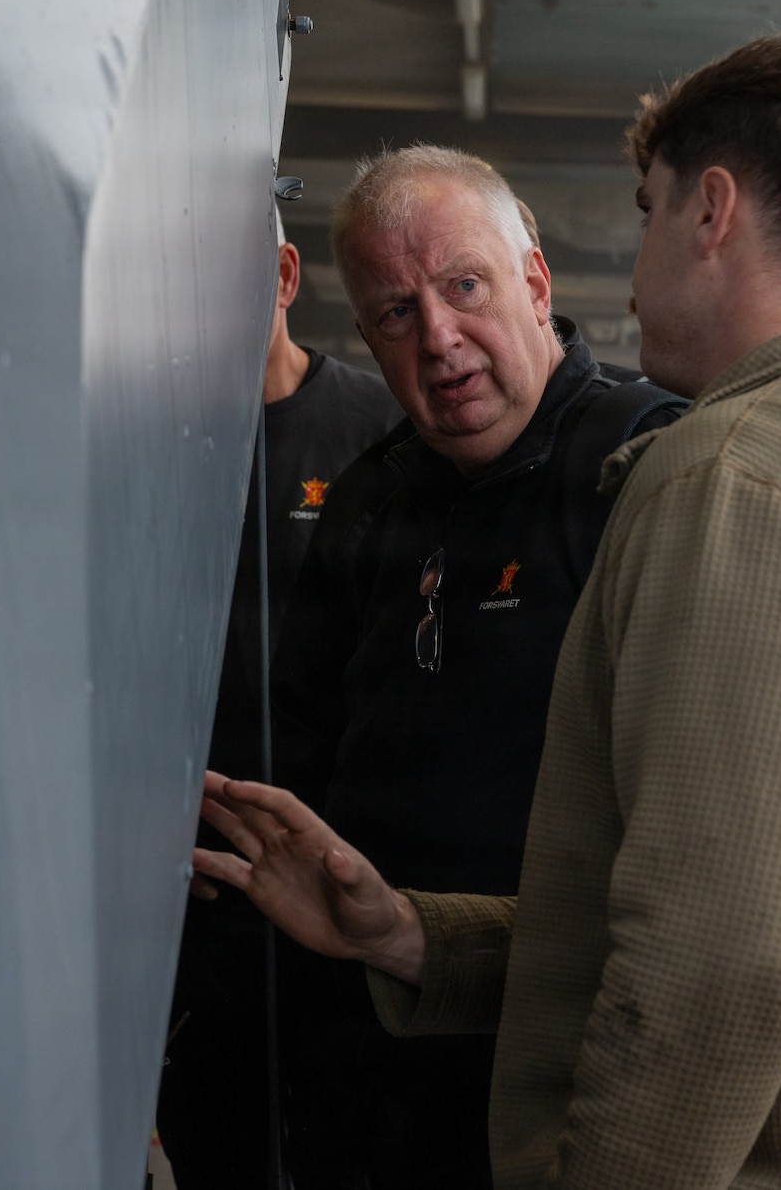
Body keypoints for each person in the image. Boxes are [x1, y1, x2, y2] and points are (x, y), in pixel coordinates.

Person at [194, 24, 781, 1190]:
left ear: (710, 211)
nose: (635, 254)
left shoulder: (738, 474)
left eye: (645, 209)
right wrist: (409, 933)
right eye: (395, 310)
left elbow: (718, 964)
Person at [247, 145, 686, 1188]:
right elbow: (301, 755)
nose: (438, 338)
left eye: (464, 287)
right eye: (397, 313)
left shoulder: (644, 466)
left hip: (560, 1070)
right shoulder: (369, 499)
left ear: (535, 283)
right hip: (371, 1069)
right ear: (366, 337)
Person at [158, 212, 398, 1189]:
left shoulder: (379, 434)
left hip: (343, 880)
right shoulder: (145, 443)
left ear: (286, 276)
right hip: (201, 889)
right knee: (218, 1141)